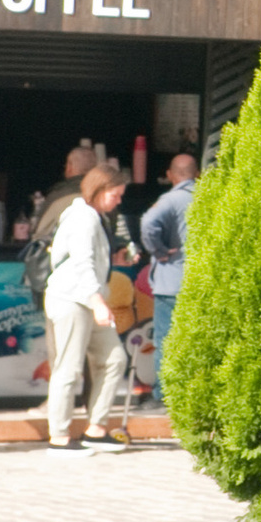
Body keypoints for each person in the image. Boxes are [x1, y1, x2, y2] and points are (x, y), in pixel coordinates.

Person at [44, 161, 135, 450]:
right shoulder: (84, 217)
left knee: (114, 359)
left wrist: (115, 262)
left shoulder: (92, 216)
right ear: (99, 190)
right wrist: (98, 302)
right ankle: (58, 437)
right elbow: (81, 262)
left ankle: (95, 429)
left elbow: (84, 260)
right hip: (73, 299)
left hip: (85, 298)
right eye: (115, 194)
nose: (118, 200)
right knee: (68, 368)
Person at [139, 150, 199, 392]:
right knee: (193, 341)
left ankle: (164, 395)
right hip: (200, 281)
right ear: (198, 174)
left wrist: (159, 250)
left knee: (166, 339)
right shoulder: (210, 197)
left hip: (172, 282)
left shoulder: (171, 200)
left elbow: (147, 223)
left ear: (170, 175)